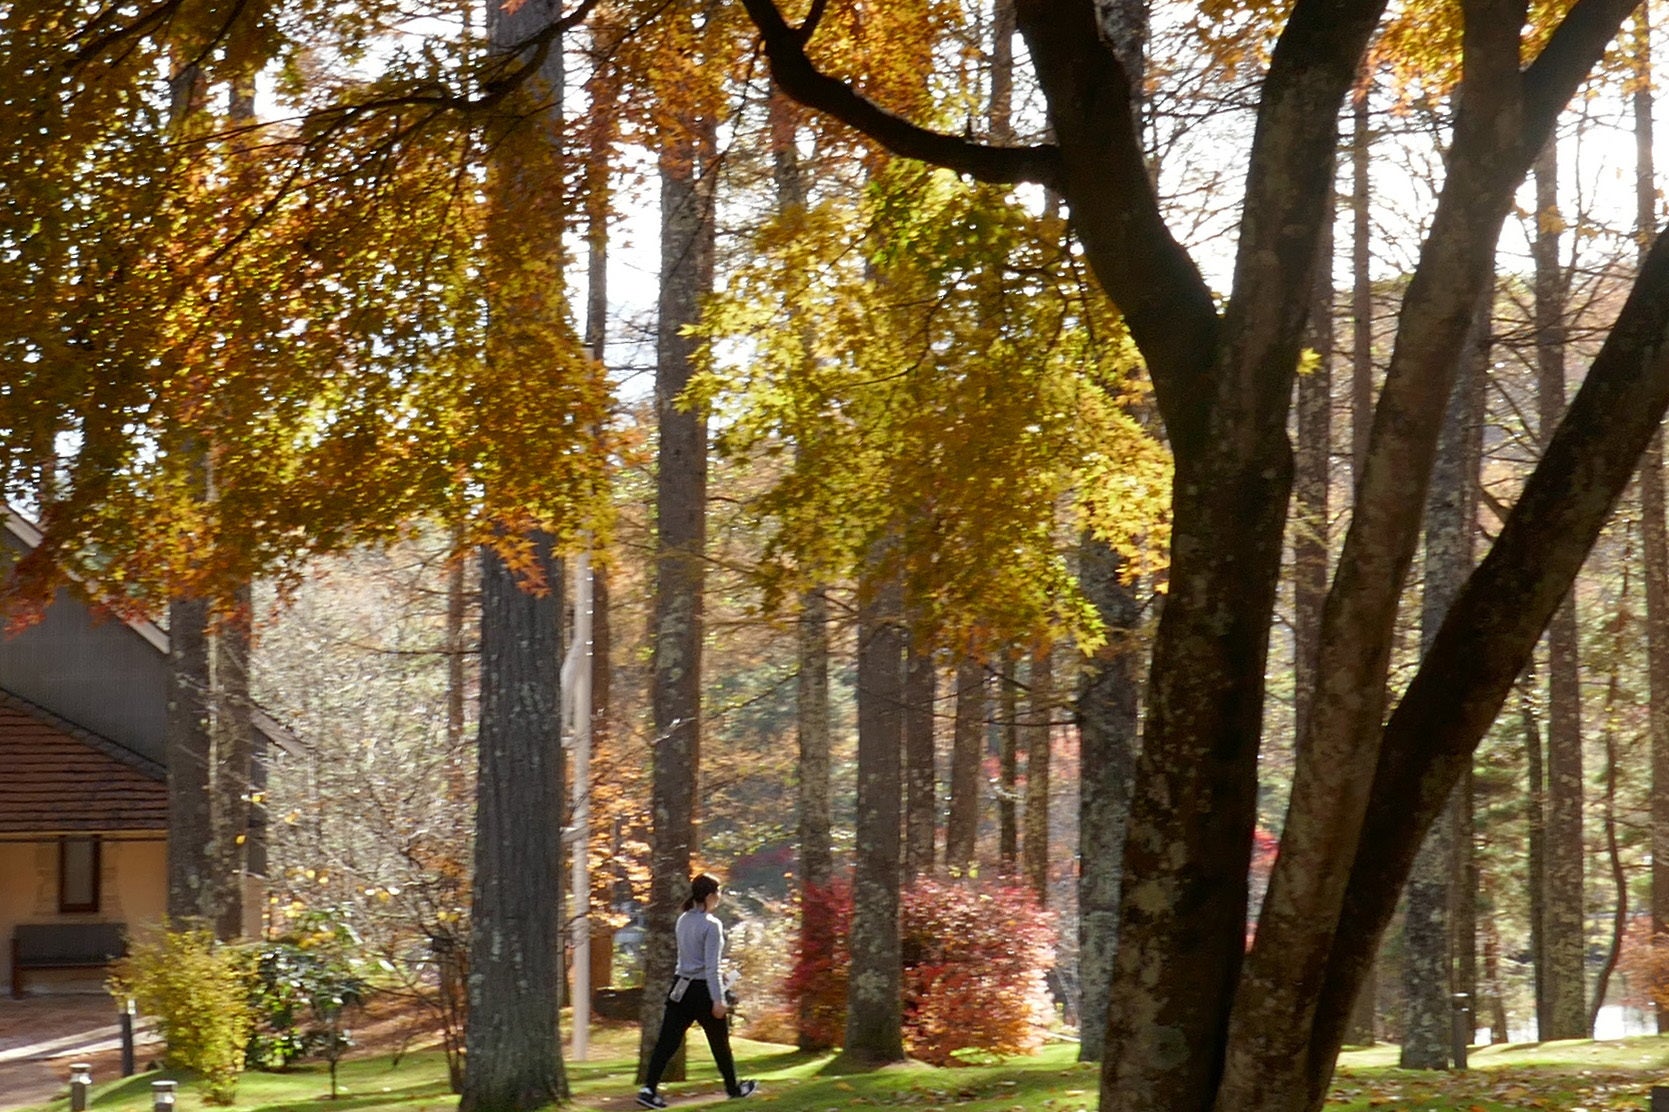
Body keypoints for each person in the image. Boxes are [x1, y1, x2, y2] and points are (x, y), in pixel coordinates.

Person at [636, 874, 758, 1109]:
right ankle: (733, 1088)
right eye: (718, 893)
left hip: (680, 986)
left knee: (667, 1041)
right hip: (702, 990)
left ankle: (649, 1088)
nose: (719, 898)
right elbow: (711, 967)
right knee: (719, 1042)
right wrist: (718, 999)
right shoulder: (712, 925)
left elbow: (691, 959)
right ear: (710, 896)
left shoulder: (683, 920)